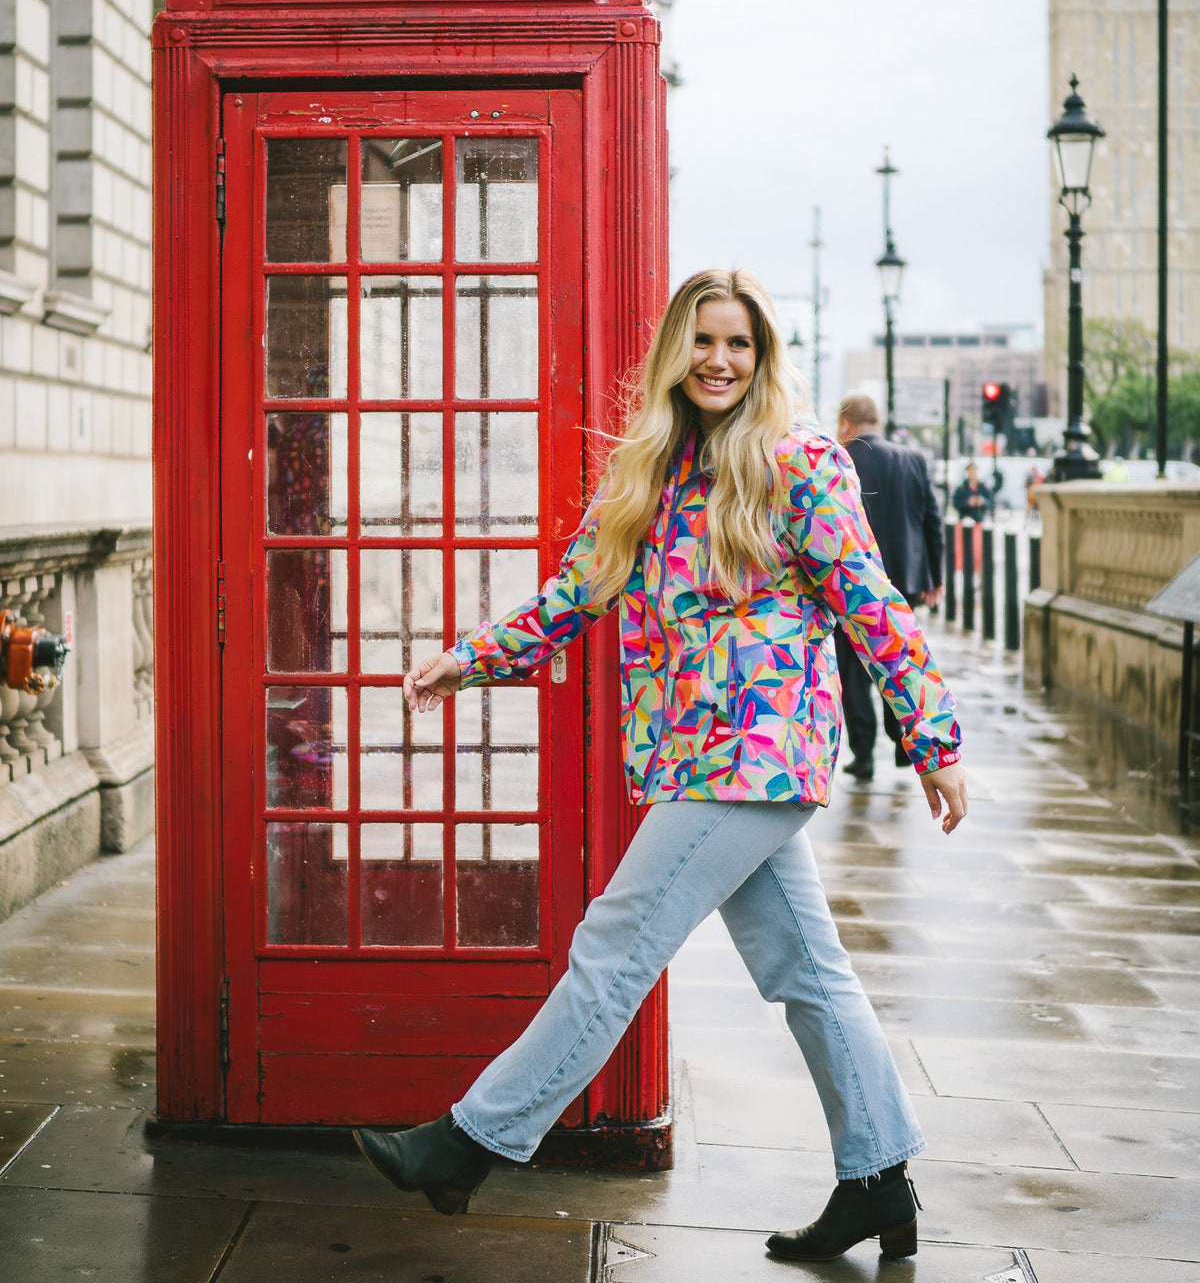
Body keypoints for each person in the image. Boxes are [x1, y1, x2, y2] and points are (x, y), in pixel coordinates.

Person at [352, 268, 967, 1265]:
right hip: (697, 756)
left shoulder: (799, 463)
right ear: (676, 353)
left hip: (758, 754)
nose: (720, 360)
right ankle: (879, 1179)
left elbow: (874, 604)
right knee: (807, 969)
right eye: (703, 341)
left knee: (616, 942)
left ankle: (468, 1143)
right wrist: (466, 660)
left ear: (763, 358)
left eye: (740, 344)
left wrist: (930, 740)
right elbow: (572, 596)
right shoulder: (649, 469)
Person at [833, 394, 944, 781]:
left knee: (854, 672)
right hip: (905, 580)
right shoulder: (912, 459)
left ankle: (862, 754)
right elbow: (933, 519)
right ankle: (902, 743)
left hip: (852, 580)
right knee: (896, 658)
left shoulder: (840, 457)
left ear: (846, 424)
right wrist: (935, 577)